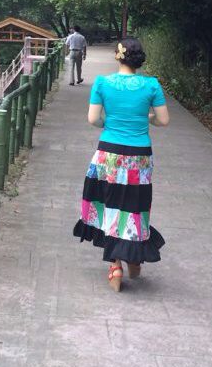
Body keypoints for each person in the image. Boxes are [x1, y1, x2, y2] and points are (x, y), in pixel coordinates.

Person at [73, 37, 170, 292]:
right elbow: (163, 120)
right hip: (140, 156)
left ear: (118, 56)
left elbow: (93, 119)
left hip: (109, 153)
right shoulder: (152, 85)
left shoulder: (102, 83)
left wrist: (109, 123)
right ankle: (134, 258)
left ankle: (115, 265)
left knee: (110, 204)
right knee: (135, 206)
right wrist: (147, 118)